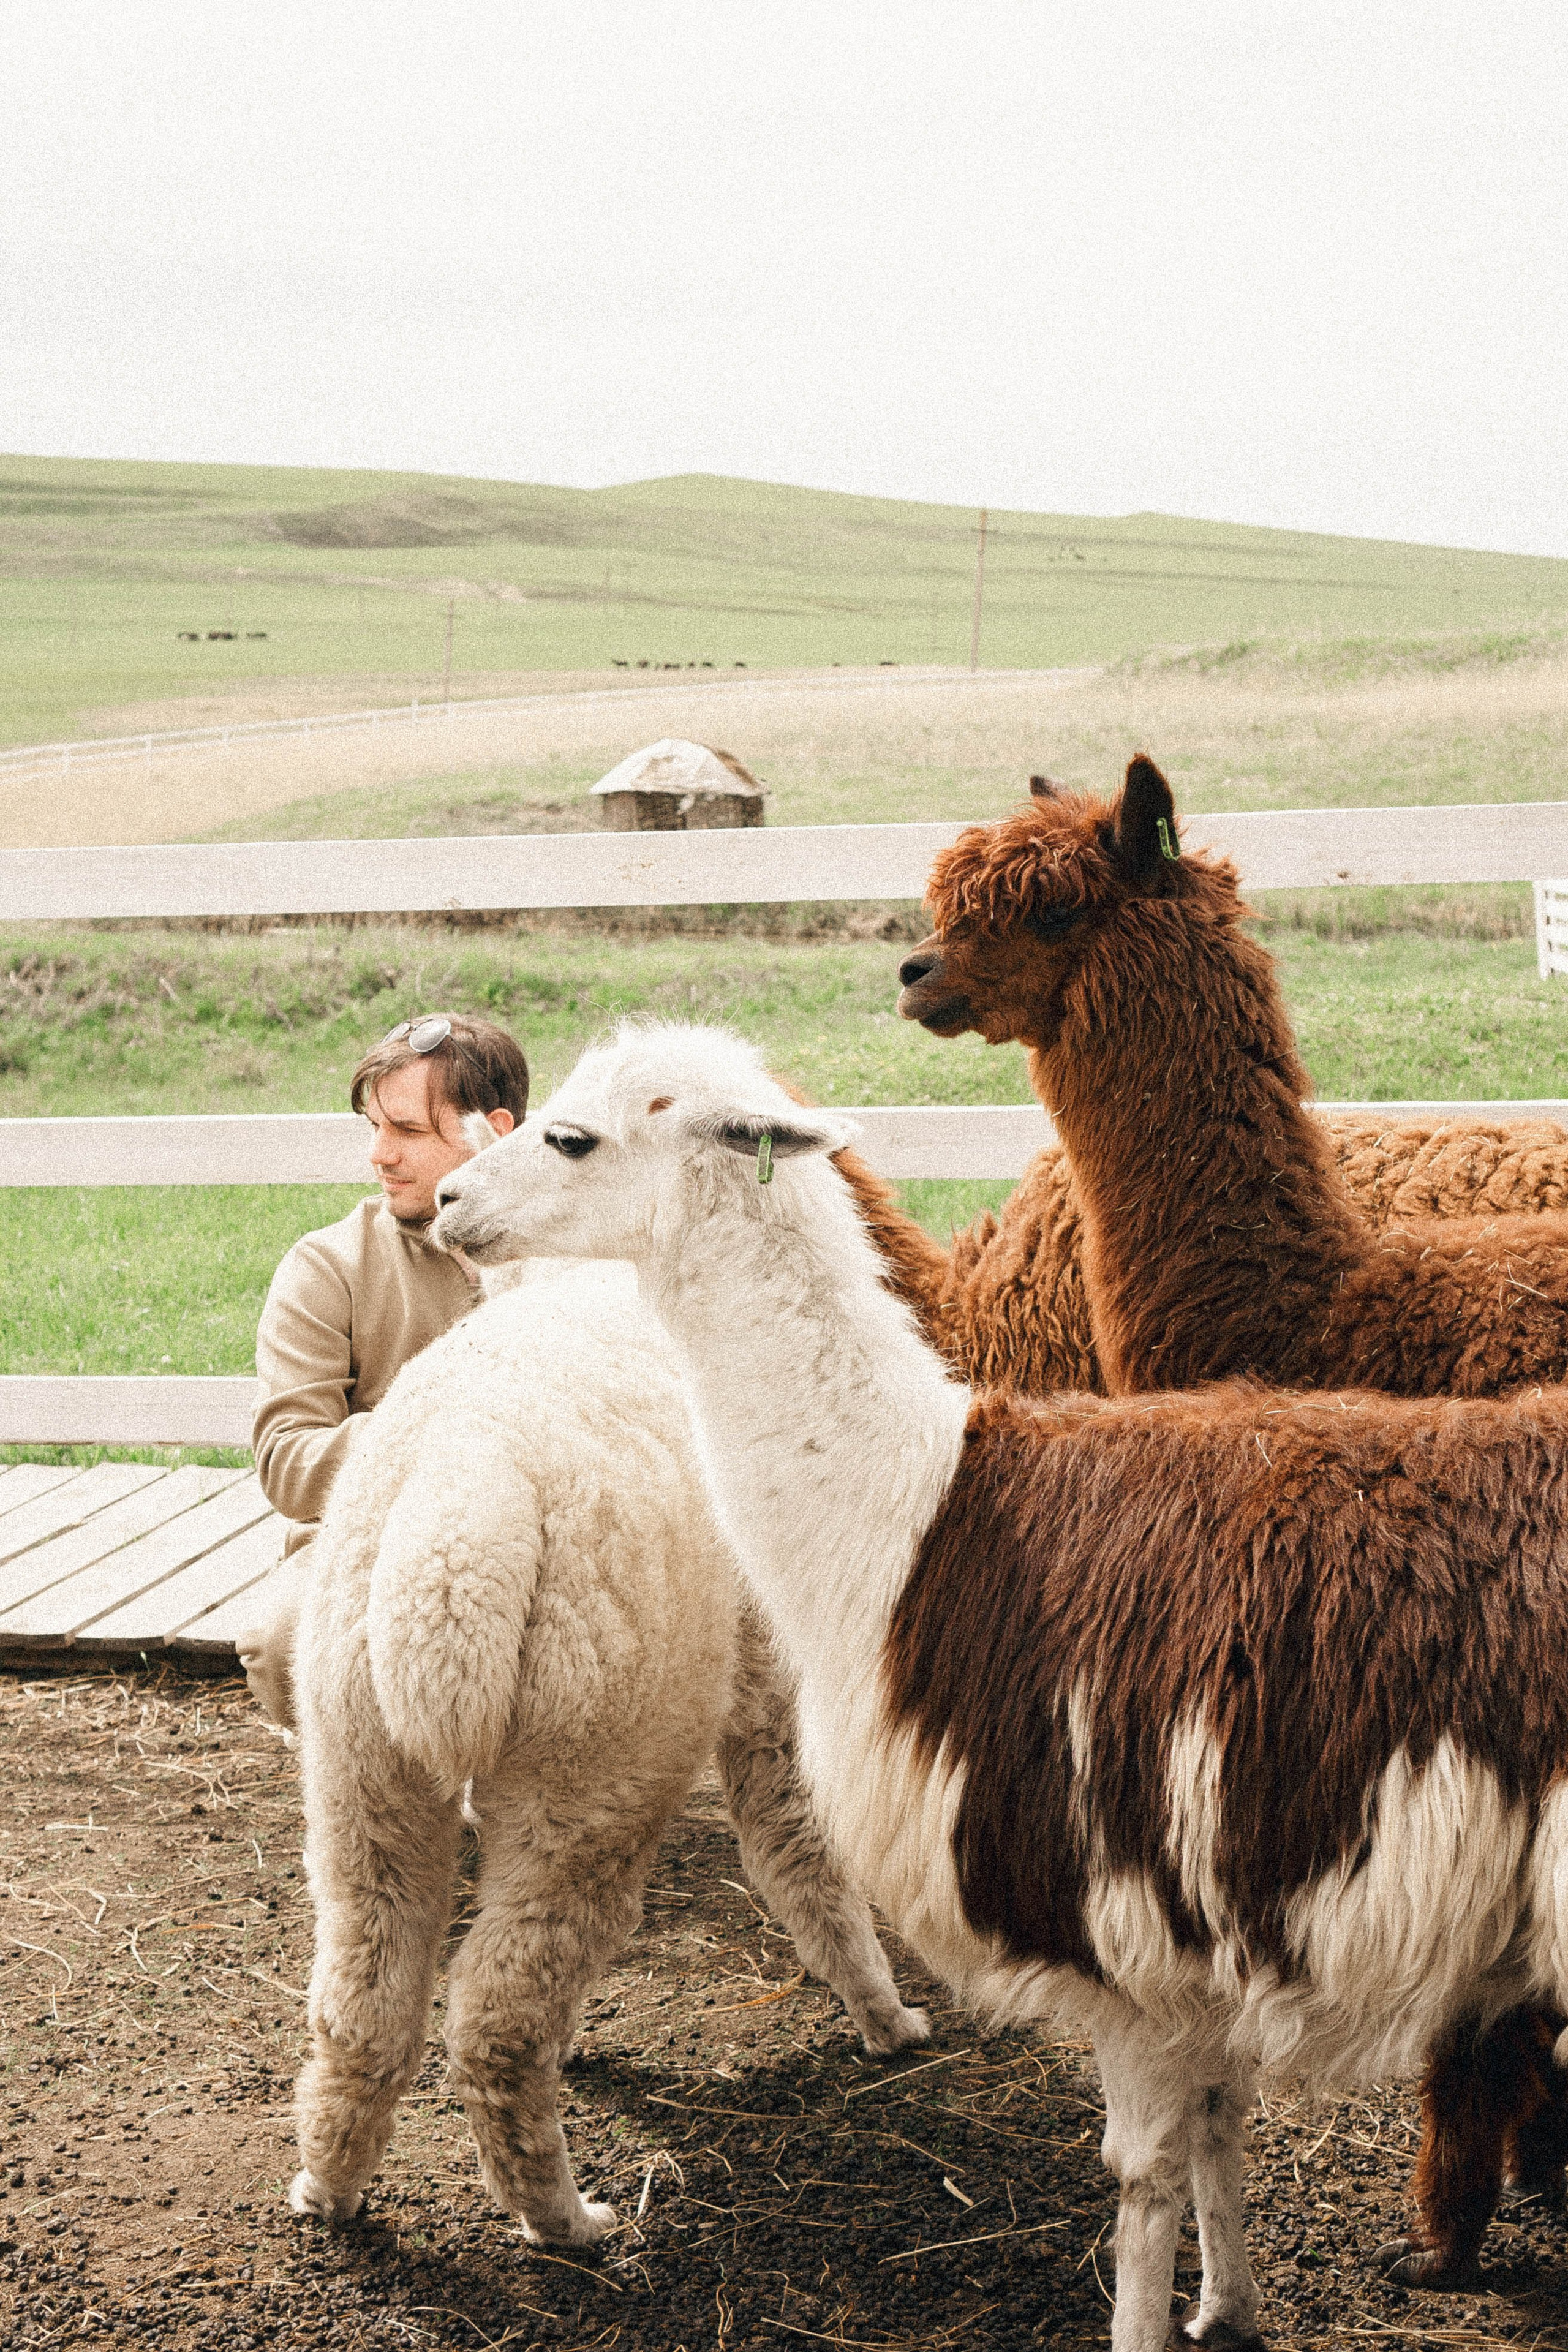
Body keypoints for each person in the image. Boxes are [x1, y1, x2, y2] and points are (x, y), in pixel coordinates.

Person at [238, 1012, 530, 1727]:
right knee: (282, 1646)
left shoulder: (575, 1254)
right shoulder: (327, 1266)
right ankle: (373, 1768)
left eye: (406, 1131)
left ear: (492, 1133)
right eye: (373, 1127)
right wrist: (437, 1427)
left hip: (537, 1542)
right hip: (371, 1542)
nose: (379, 1154)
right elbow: (287, 1465)